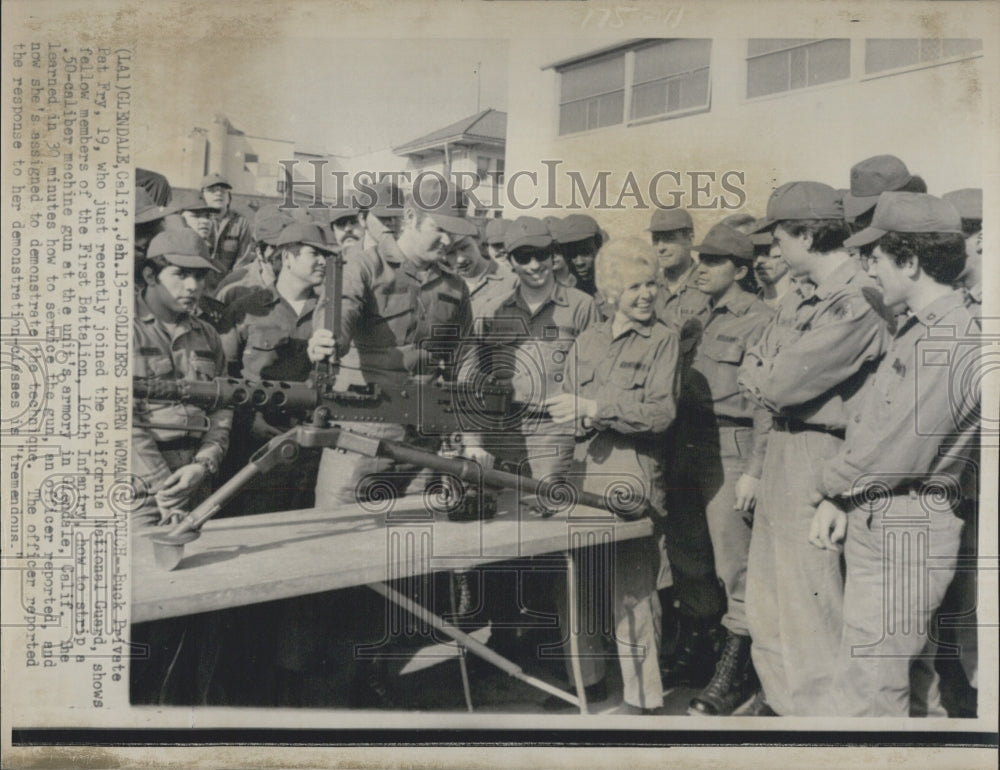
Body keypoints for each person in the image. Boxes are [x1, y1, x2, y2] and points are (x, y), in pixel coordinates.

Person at [808, 192, 980, 717]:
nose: (867, 268)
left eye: (877, 258)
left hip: (903, 523)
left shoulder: (948, 340)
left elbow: (893, 451)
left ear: (910, 260)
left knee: (870, 688)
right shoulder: (920, 328)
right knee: (906, 678)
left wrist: (827, 487)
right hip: (891, 516)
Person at [737, 181, 889, 716]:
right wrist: (767, 372)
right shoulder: (803, 297)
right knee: (768, 603)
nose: (773, 249)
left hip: (820, 454)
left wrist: (766, 372)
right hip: (782, 445)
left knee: (809, 603)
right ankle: (784, 713)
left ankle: (820, 727)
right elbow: (758, 369)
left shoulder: (857, 301)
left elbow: (776, 382)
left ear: (805, 233)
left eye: (779, 236)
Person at [471, 215, 604, 705]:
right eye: (520, 257)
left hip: (554, 432)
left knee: (556, 550)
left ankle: (578, 671)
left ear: (554, 257)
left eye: (540, 256)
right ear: (509, 261)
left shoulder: (582, 307)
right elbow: (476, 373)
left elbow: (597, 370)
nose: (532, 265)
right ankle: (507, 640)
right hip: (504, 433)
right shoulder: (494, 309)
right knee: (501, 543)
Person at [546, 237, 679, 714]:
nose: (646, 295)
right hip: (583, 473)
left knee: (632, 590)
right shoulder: (589, 340)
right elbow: (567, 405)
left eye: (651, 285)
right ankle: (587, 683)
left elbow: (661, 413)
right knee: (575, 584)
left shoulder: (663, 340)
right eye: (634, 287)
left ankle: (644, 699)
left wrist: (595, 409)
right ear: (611, 293)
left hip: (631, 472)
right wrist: (575, 420)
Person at [659, 223, 775, 715]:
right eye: (700, 258)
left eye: (715, 261)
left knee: (735, 563)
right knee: (688, 557)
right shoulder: (692, 315)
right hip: (684, 441)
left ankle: (738, 668)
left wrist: (756, 468)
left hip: (730, 442)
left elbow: (767, 403)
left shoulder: (761, 319)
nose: (701, 267)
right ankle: (699, 651)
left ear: (742, 270)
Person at [307, 175, 479, 504]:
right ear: (411, 218)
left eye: (453, 231)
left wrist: (472, 439)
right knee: (334, 536)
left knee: (411, 541)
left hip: (421, 443)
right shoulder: (364, 267)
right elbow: (339, 309)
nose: (447, 240)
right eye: (439, 229)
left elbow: (466, 364)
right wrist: (326, 339)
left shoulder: (455, 288)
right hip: (360, 435)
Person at [131, 229, 231, 533]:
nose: (193, 286)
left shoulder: (207, 334)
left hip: (197, 479)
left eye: (200, 276)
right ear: (150, 275)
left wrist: (206, 460)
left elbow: (224, 403)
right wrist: (164, 485)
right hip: (139, 487)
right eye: (181, 274)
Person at [214, 205, 291, 306]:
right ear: (259, 252)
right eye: (276, 247)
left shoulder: (306, 285)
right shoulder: (233, 287)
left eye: (290, 247)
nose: (284, 255)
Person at [199, 172, 253, 292]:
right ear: (203, 195)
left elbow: (242, 262)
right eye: (212, 190)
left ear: (229, 197)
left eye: (223, 191)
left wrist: (228, 288)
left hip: (228, 287)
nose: (218, 193)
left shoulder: (240, 222)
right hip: (200, 285)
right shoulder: (197, 220)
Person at [648, 208, 700, 319]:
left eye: (669, 239)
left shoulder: (707, 286)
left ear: (690, 239)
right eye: (656, 240)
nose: (660, 248)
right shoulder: (649, 286)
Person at [752, 234, 793, 309]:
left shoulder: (802, 301)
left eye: (768, 253)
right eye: (755, 254)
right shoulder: (750, 304)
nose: (759, 260)